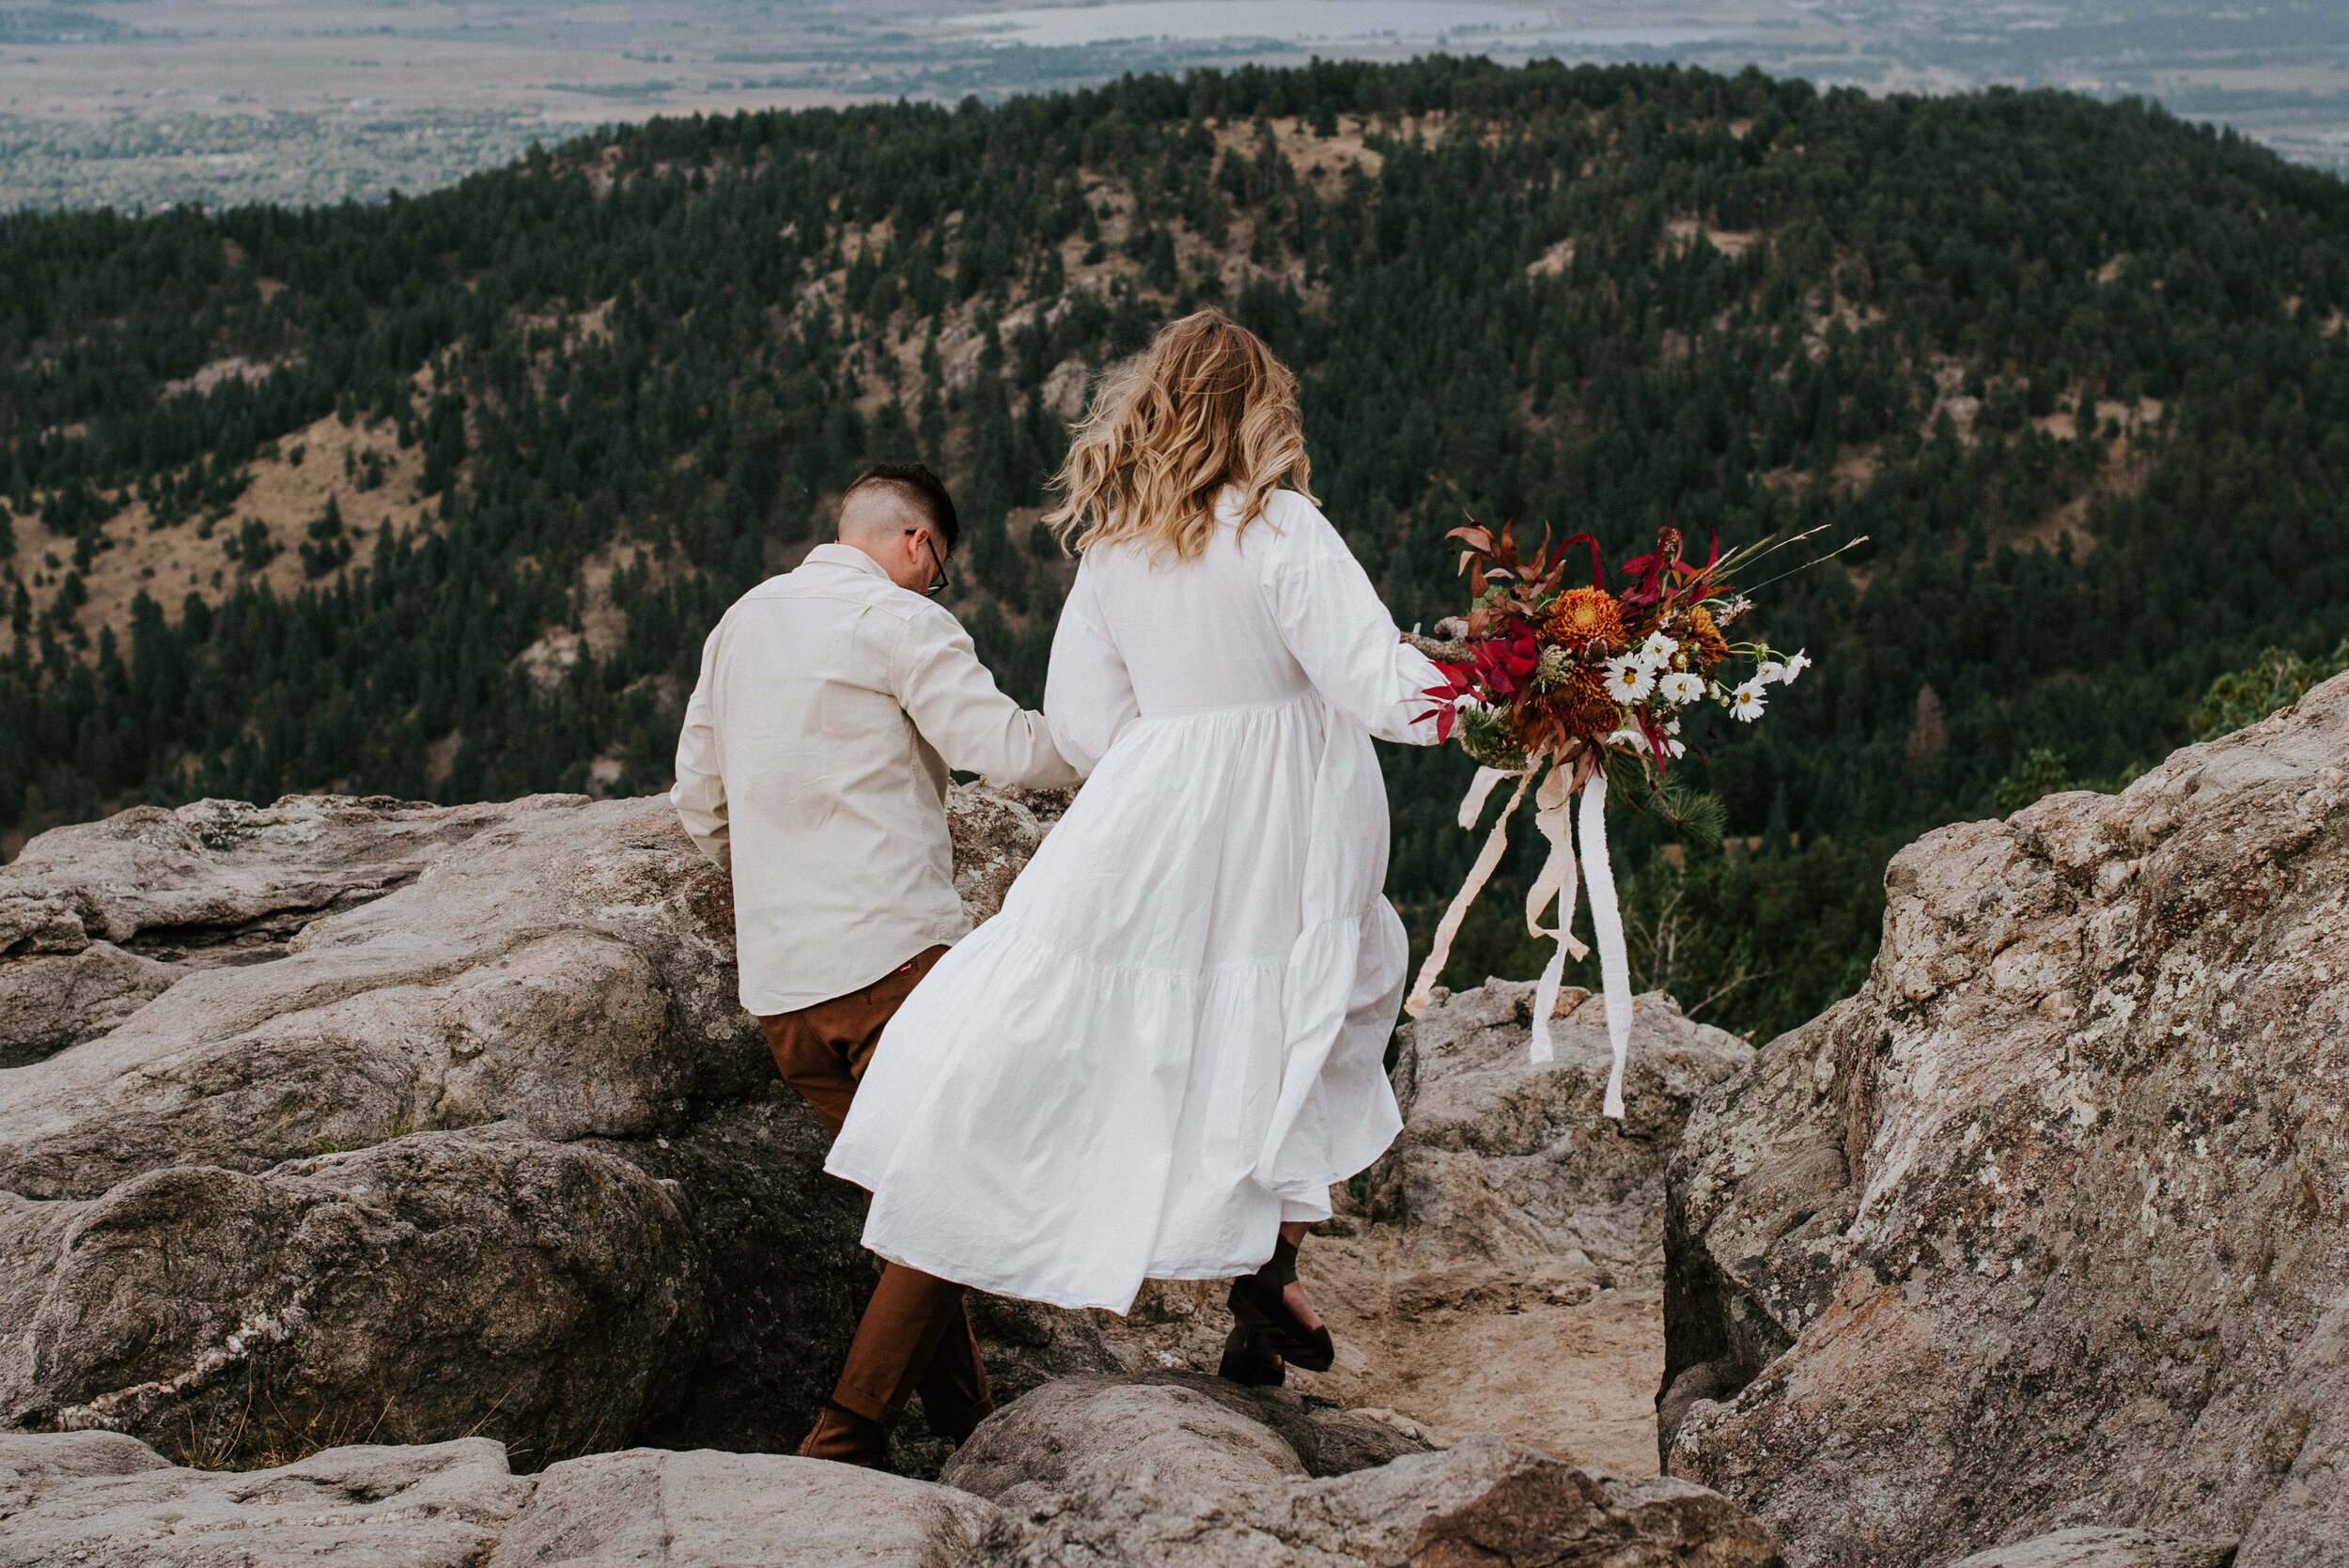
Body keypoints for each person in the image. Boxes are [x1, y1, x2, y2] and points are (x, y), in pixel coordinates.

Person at [828, 311, 1444, 1385]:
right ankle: (1265, 1264)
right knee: (1325, 993)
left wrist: (1170, 773)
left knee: (1113, 1022)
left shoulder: (1116, 551)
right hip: (1284, 819)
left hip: (1152, 813)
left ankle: (1219, 1259)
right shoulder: (1280, 527)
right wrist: (1515, 703)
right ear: (1260, 409)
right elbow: (1376, 682)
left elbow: (1078, 718)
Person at [671, 460, 1081, 1467]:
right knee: (948, 1201)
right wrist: (1130, 748)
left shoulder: (741, 623)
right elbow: (1011, 751)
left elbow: (698, 802)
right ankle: (845, 1436)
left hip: (782, 989)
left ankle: (962, 1424)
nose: (932, 587)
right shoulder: (901, 622)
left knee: (911, 1211)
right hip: (893, 966)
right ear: (917, 545)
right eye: (936, 571)